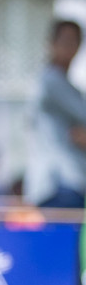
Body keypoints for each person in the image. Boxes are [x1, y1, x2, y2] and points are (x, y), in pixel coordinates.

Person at [27, 19, 86, 209]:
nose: (70, 46)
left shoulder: (61, 83)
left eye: (75, 40)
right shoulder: (52, 81)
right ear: (50, 43)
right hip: (58, 183)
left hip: (63, 185)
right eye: (64, 40)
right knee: (62, 238)